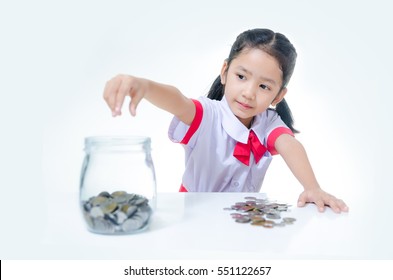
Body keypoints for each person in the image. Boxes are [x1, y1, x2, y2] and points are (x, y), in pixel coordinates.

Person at [103, 28, 349, 213]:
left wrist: (312, 187)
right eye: (241, 76)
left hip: (242, 217)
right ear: (225, 72)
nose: (249, 92)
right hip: (194, 213)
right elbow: (178, 101)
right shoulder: (208, 115)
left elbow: (289, 144)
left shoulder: (270, 122)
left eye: (264, 86)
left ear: (278, 95)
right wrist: (143, 86)